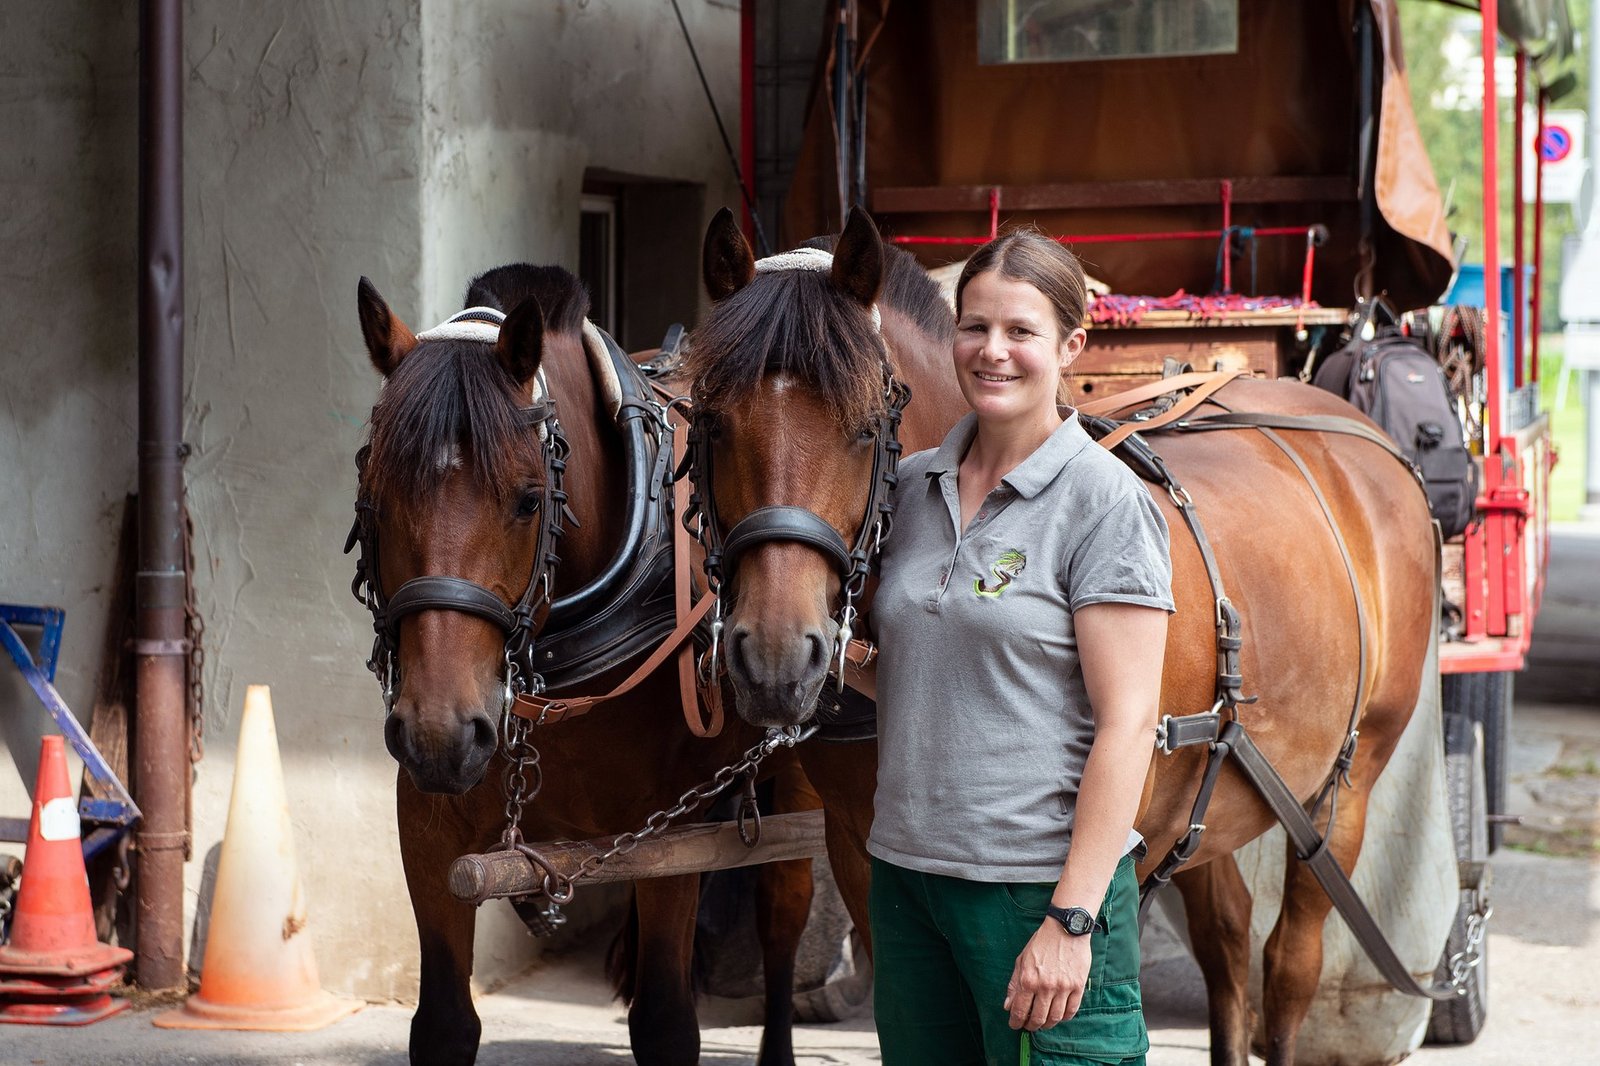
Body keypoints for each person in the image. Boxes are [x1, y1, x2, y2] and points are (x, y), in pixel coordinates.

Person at [847, 230, 1172, 1066]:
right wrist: (838, 659)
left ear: (1070, 347)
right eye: (975, 327)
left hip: (1034, 889)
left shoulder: (1103, 503)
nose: (993, 351)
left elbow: (1128, 724)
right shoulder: (910, 487)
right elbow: (932, 678)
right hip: (907, 880)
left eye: (1021, 331)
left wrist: (1073, 918)